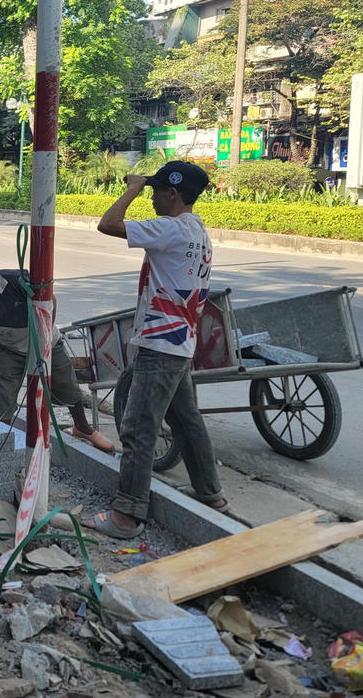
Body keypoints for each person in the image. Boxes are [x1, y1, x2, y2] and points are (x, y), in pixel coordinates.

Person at [86, 161, 223, 540]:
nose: (152, 197)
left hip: (161, 342)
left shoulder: (171, 228)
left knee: (137, 427)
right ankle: (211, 494)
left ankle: (127, 515)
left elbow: (108, 223)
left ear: (173, 193)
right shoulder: (198, 232)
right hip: (181, 341)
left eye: (155, 191)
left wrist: (131, 188)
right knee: (186, 420)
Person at [0, 257, 114, 452]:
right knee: (4, 399)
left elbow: (51, 300)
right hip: (7, 349)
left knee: (67, 385)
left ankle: (83, 428)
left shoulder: (17, 282)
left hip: (43, 342)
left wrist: (44, 338)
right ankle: (1, 445)